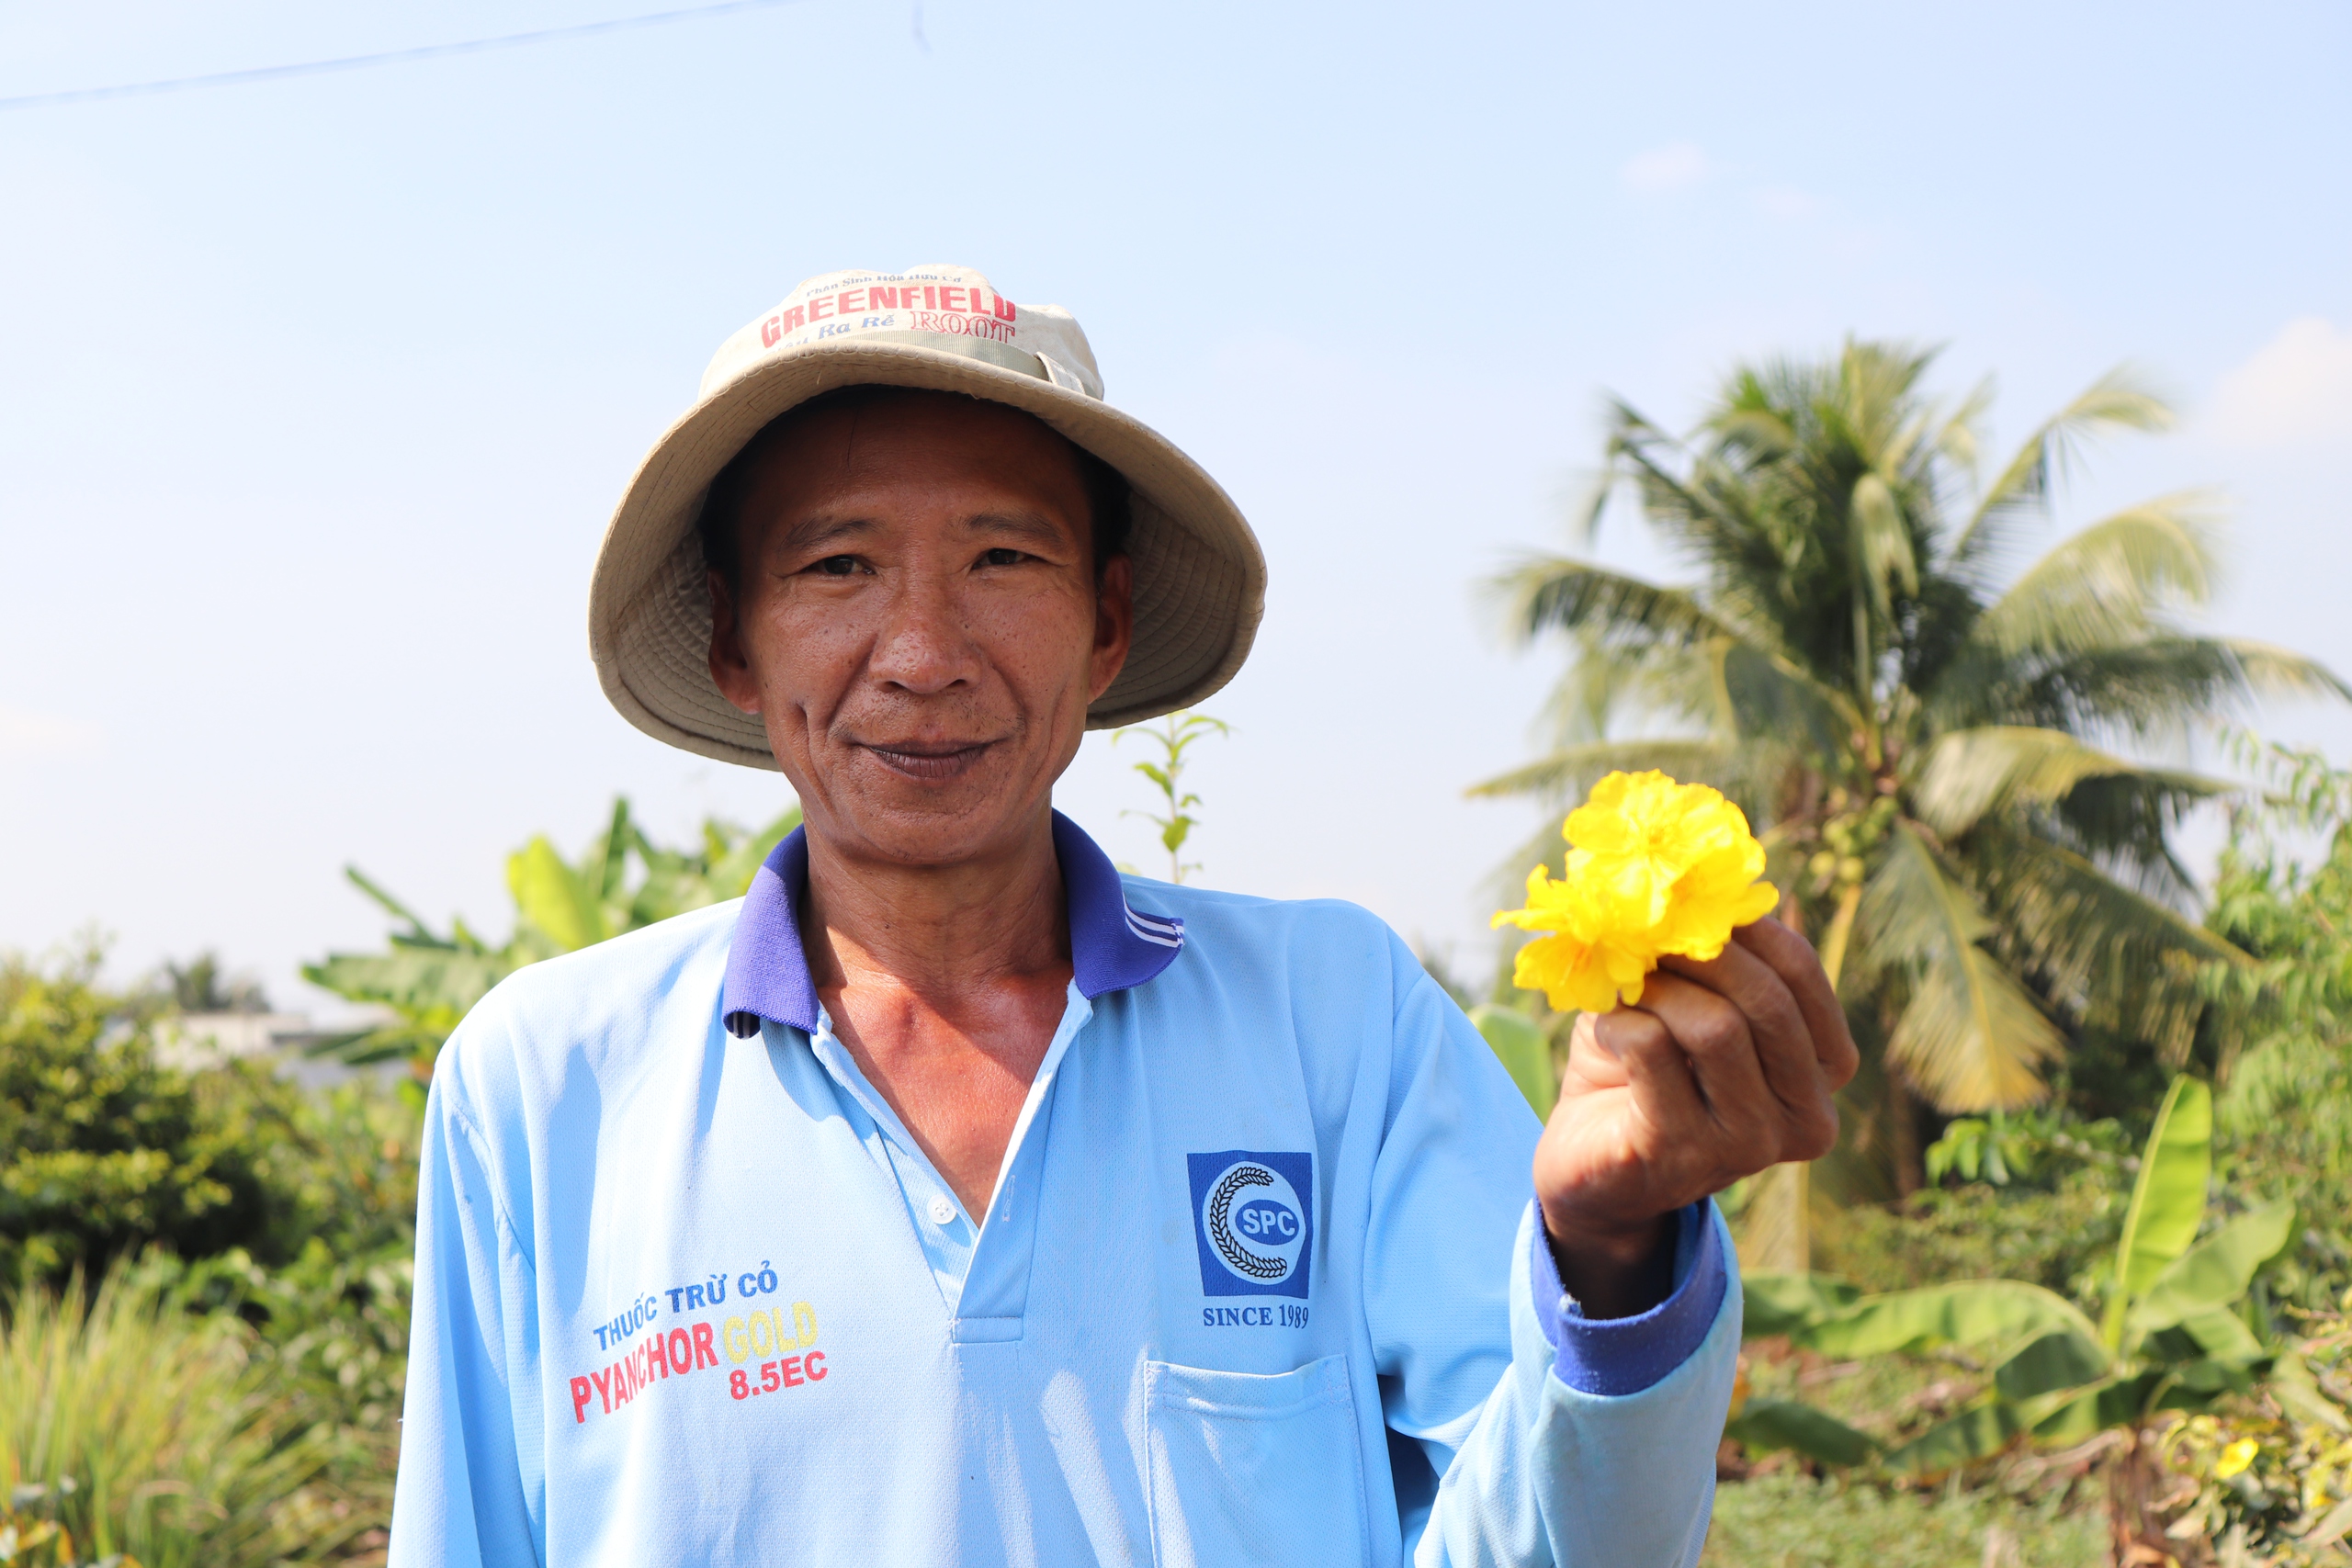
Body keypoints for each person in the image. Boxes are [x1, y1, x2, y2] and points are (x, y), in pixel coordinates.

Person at [387, 265, 1857, 1568]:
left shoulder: (1331, 1016)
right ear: (731, 637)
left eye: (1002, 560)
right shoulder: (545, 1085)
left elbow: (1562, 1550)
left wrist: (1609, 1247)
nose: (921, 651)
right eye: (837, 565)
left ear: (1104, 622)